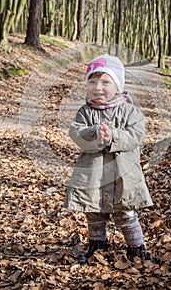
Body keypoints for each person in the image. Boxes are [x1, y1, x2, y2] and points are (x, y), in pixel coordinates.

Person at [64, 54, 153, 264]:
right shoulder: (85, 112)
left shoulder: (130, 111)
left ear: (118, 85)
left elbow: (135, 135)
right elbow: (77, 133)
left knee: (126, 212)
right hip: (93, 173)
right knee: (94, 211)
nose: (98, 87)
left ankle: (136, 247)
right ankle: (97, 244)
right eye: (92, 81)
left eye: (105, 81)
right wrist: (94, 132)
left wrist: (113, 135)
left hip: (123, 174)